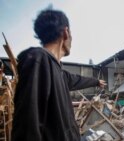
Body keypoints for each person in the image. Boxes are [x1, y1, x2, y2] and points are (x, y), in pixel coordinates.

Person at [11, 8, 106, 141]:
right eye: (71, 35)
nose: (71, 41)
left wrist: (96, 82)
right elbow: (26, 127)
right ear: (65, 32)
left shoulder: (58, 72)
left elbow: (78, 80)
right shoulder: (38, 60)